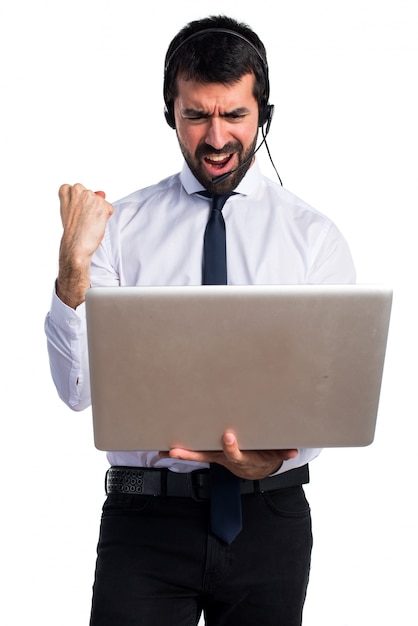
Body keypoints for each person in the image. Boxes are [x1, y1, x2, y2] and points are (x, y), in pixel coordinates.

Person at [45, 14, 356, 626]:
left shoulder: (314, 239)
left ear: (263, 115)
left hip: (270, 520)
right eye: (196, 116)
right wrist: (72, 267)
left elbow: (329, 400)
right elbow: (77, 393)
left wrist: (272, 460)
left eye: (235, 115)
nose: (216, 138)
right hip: (146, 523)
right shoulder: (120, 229)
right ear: (171, 114)